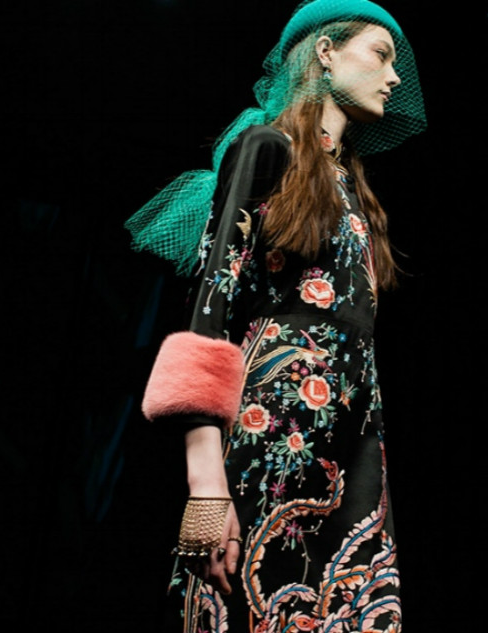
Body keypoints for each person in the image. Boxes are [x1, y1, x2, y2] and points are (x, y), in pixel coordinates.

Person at [125, 1, 426, 630]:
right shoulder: (265, 149)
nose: (395, 77)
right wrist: (206, 485)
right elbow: (209, 311)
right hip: (272, 434)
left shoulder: (352, 187)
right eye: (380, 55)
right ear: (325, 53)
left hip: (353, 443)